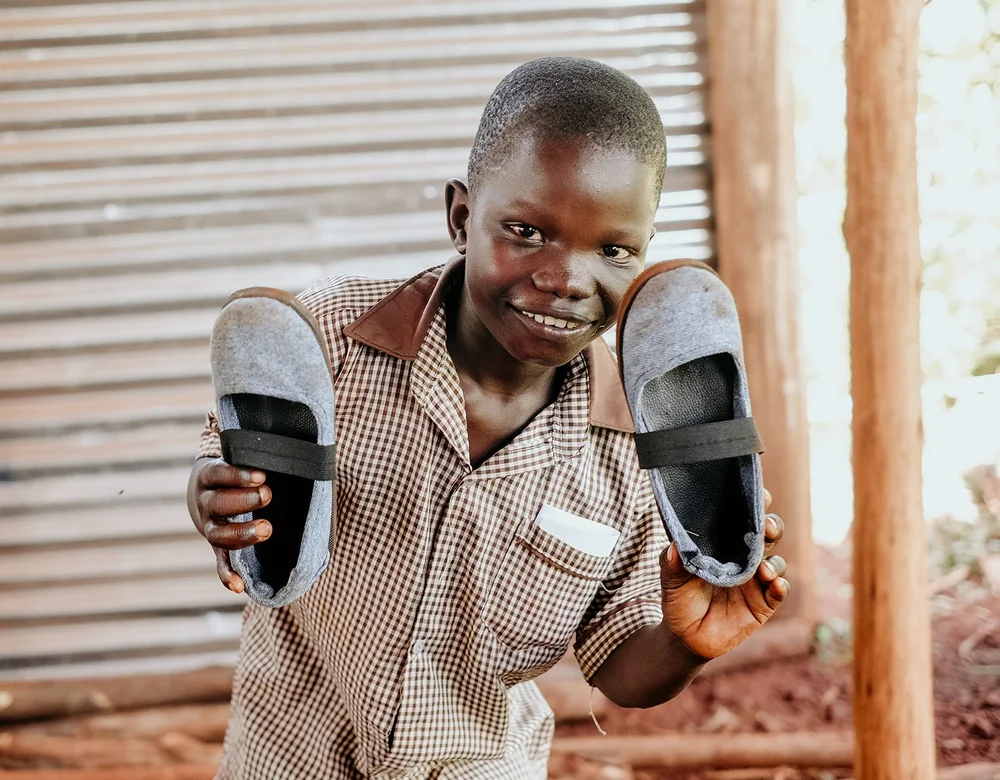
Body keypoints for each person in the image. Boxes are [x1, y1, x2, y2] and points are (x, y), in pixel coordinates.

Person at [187, 56, 789, 779]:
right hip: (287, 754)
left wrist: (686, 643)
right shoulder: (327, 339)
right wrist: (213, 500)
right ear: (462, 217)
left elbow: (620, 665)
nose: (566, 278)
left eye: (612, 249)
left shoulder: (640, 449)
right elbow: (230, 470)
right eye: (528, 231)